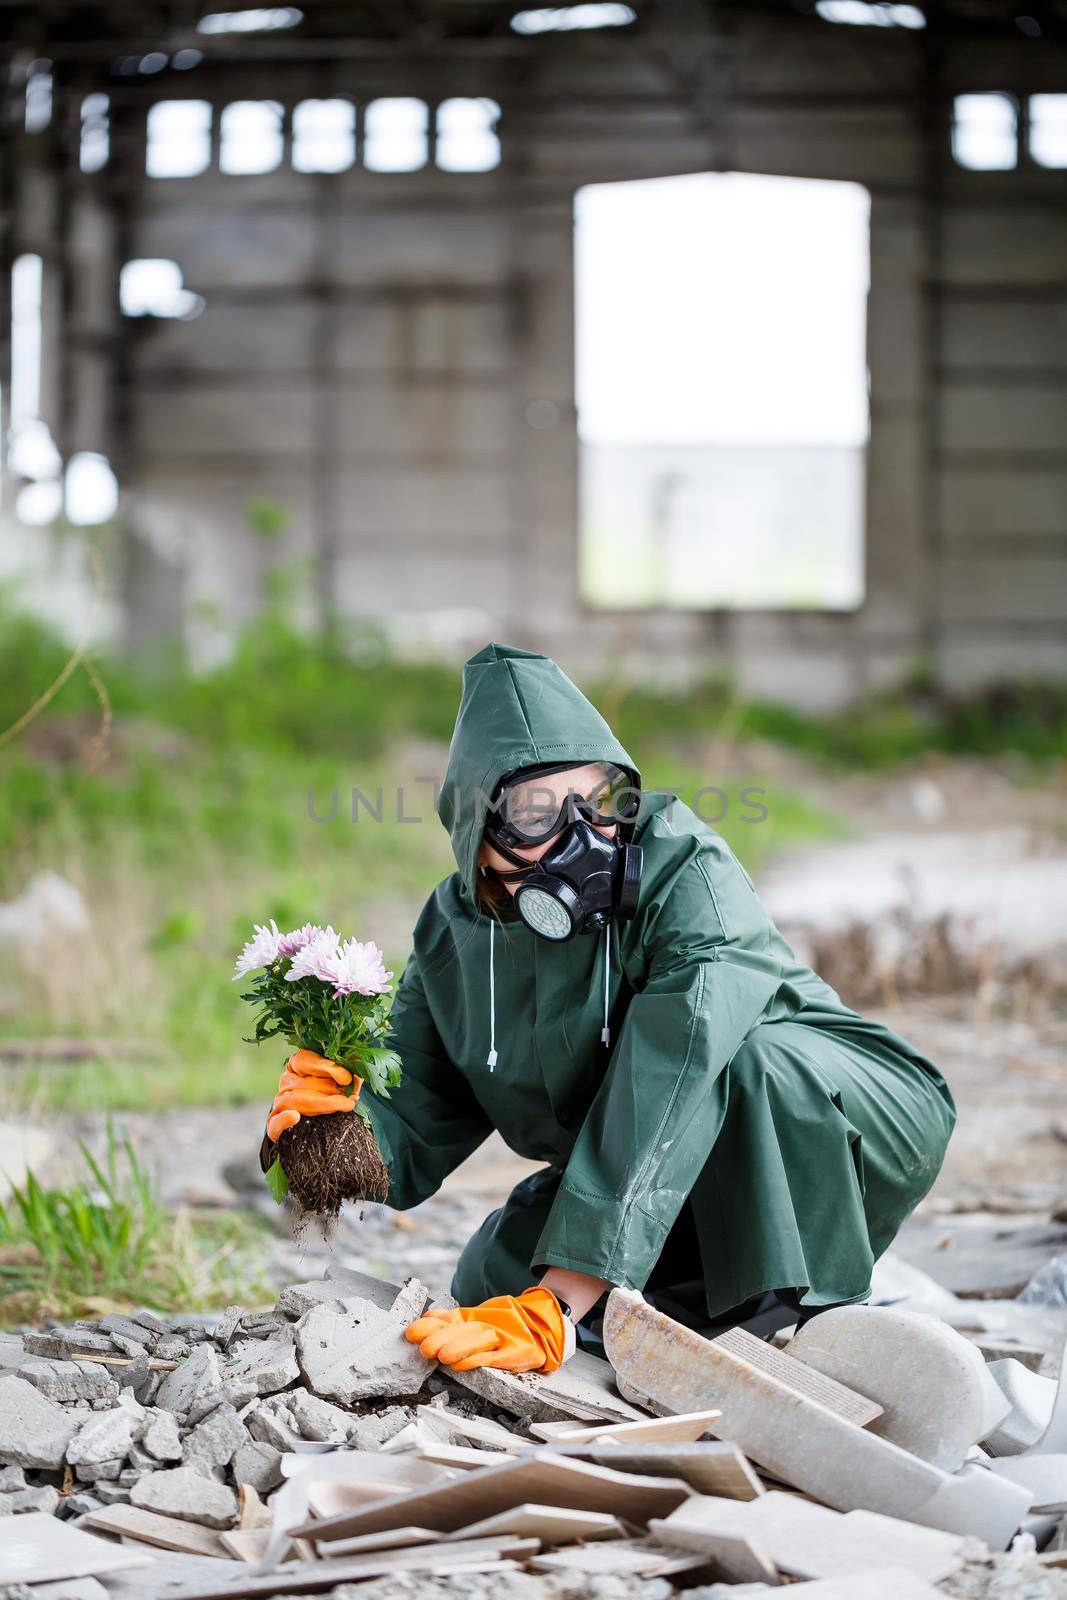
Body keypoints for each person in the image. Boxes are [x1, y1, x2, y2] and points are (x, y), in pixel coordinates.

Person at [263, 642, 956, 1376]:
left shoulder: (687, 871)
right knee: (488, 1277)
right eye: (535, 814)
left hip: (841, 1118)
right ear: (477, 832)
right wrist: (320, 1137)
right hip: (677, 1157)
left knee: (748, 1063)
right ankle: (684, 1309)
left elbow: (675, 1068)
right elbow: (414, 1119)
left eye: (597, 803)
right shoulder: (455, 929)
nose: (581, 837)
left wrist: (560, 1302)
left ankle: (795, 1319)